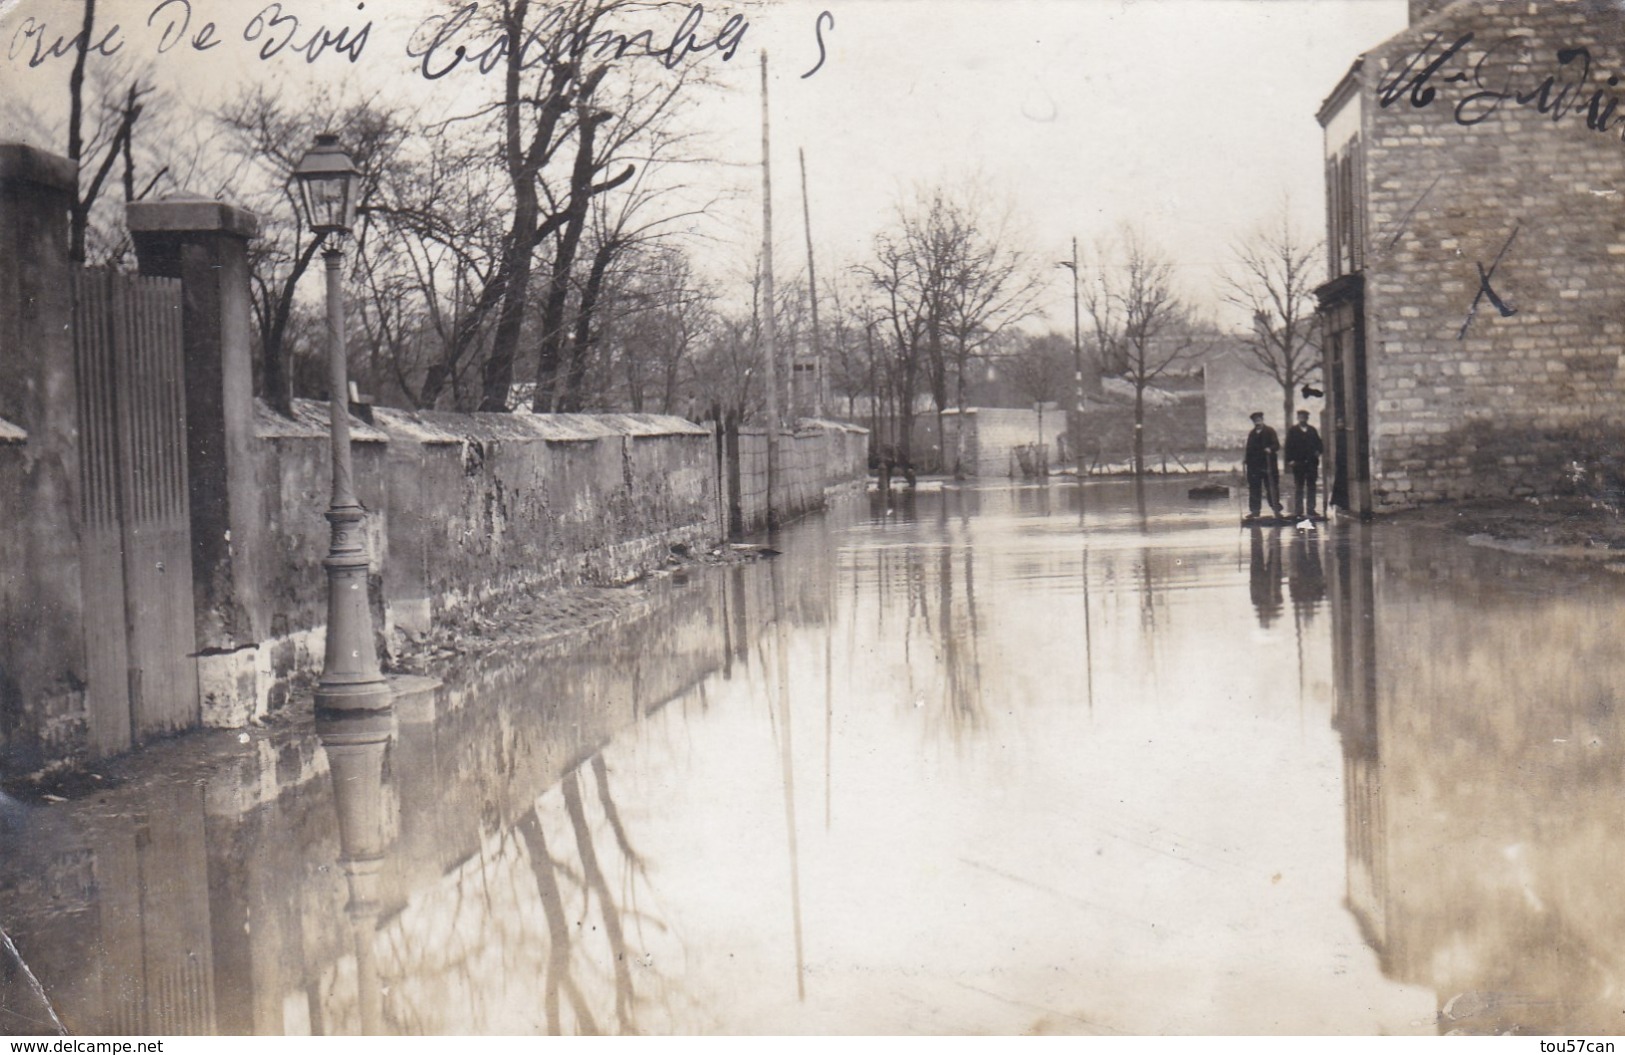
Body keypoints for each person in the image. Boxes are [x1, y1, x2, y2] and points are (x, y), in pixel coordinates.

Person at [1284, 409, 1324, 519]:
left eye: (1304, 417)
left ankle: (1311, 510)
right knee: (1299, 486)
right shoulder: (1293, 431)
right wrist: (1290, 460)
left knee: (1311, 486)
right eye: (1300, 416)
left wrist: (1318, 452)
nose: (1302, 418)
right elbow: (1288, 446)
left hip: (1311, 463)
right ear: (1298, 418)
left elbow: (1320, 444)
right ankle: (1298, 511)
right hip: (1298, 463)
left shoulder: (1312, 430)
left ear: (1307, 418)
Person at [1242, 411, 1282, 519]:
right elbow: (1249, 449)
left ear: (1262, 420)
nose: (1257, 421)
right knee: (1254, 488)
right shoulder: (1252, 434)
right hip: (1255, 466)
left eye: (1259, 419)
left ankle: (1276, 510)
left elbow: (1277, 445)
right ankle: (1255, 511)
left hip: (1268, 465)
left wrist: (1270, 449)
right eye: (1255, 420)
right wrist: (1246, 459)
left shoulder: (1270, 431)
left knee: (1271, 487)